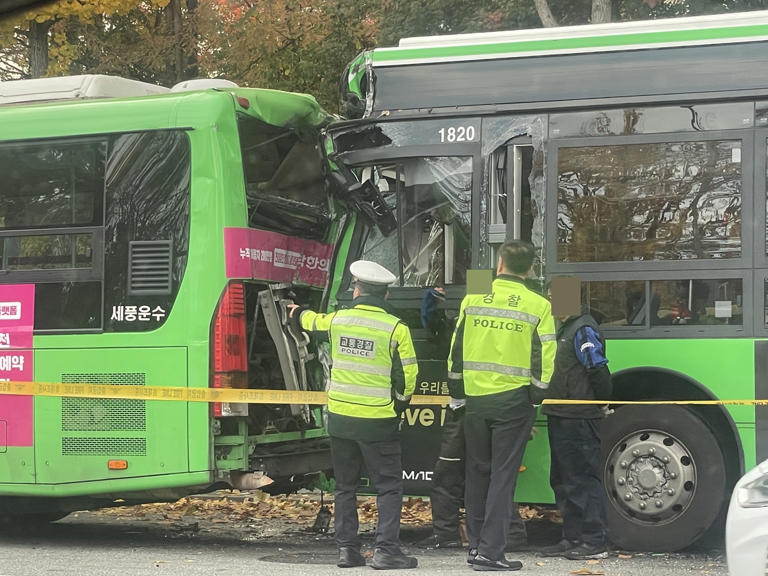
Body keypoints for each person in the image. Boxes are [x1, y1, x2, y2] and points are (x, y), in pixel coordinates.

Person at [289, 260, 419, 570]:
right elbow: (409, 376)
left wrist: (295, 311)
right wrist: (397, 407)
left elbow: (309, 321)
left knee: (345, 487)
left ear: (357, 290)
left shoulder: (338, 321)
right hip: (378, 423)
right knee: (388, 487)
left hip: (341, 420)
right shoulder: (396, 328)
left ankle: (347, 551)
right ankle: (387, 551)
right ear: (385, 296)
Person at [448, 240, 556, 571]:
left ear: (499, 265)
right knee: (502, 476)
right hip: (513, 403)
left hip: (477, 401)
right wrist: (535, 397)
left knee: (477, 473)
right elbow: (546, 356)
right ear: (531, 269)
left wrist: (458, 392)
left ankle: (476, 545)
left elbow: (456, 351)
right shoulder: (539, 306)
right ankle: (491, 553)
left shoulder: (473, 298)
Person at [539, 299, 612, 560]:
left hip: (578, 417)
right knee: (563, 480)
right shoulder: (566, 328)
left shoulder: (582, 329)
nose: (550, 303)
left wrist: (600, 403)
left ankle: (594, 541)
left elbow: (598, 369)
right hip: (560, 414)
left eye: (554, 297)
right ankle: (572, 538)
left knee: (582, 480)